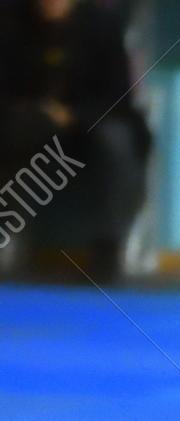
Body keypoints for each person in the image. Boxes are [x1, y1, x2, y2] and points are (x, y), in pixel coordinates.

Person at [0, 0, 151, 281]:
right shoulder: (9, 22)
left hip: (89, 126)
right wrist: (37, 113)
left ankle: (109, 247)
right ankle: (7, 233)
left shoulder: (102, 26)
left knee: (115, 141)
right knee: (13, 131)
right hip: (29, 122)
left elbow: (118, 100)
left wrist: (72, 116)